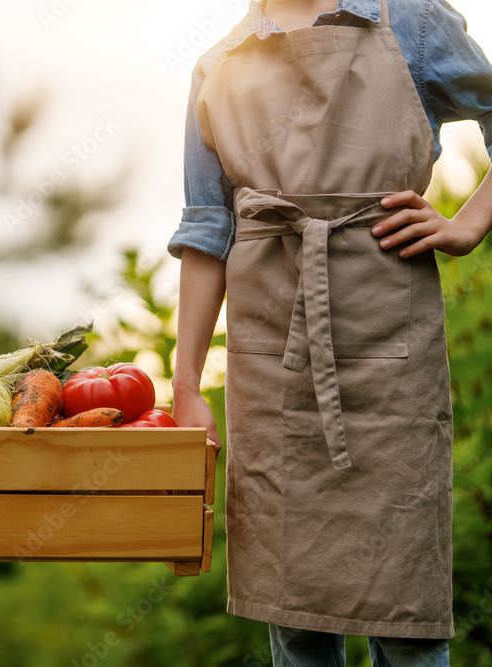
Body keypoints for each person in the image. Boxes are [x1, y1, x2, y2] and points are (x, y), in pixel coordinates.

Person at [168, 0, 492, 664]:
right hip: (270, 360)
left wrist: (469, 222)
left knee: (406, 615)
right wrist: (186, 382)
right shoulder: (218, 66)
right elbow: (207, 232)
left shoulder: (411, 22)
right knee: (296, 622)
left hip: (387, 348)